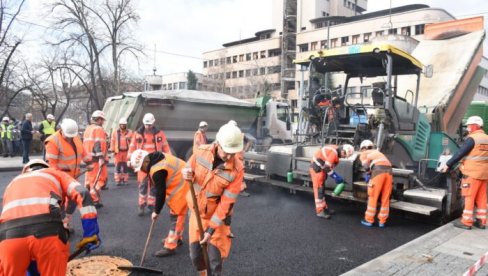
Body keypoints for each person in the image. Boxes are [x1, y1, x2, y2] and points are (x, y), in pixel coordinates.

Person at [0, 159, 101, 275]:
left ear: (25, 171)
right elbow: (82, 193)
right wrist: (90, 233)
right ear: (46, 167)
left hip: (9, 240)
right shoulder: (54, 173)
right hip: (48, 235)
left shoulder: (12, 184)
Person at [183, 123, 244, 275]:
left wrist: (210, 230)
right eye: (226, 152)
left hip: (217, 219)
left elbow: (226, 203)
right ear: (218, 144)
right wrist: (186, 173)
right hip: (196, 214)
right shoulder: (200, 152)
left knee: (215, 261)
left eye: (233, 153)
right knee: (196, 256)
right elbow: (187, 168)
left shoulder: (237, 169)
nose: (229, 157)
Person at [130, 150, 189, 257]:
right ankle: (177, 238)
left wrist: (156, 211)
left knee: (176, 216)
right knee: (178, 215)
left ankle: (170, 246)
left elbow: (161, 193)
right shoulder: (156, 157)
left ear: (146, 162)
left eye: (141, 168)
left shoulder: (157, 170)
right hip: (182, 182)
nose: (142, 171)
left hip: (183, 186)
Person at [440, 116, 487, 230]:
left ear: (475, 126)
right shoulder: (486, 138)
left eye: (469, 126)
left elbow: (460, 153)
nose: (468, 128)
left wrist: (447, 164)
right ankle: (481, 222)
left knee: (469, 197)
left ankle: (466, 222)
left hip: (471, 174)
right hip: (485, 174)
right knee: (482, 198)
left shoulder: (472, 139)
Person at [45, 118, 92, 231]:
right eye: (68, 136)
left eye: (72, 136)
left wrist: (89, 162)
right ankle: (61, 225)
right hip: (60, 178)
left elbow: (83, 152)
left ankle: (66, 221)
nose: (70, 138)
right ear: (61, 129)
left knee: (74, 200)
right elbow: (52, 166)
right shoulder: (53, 141)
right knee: (59, 203)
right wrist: (60, 179)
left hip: (73, 177)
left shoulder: (75, 137)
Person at [128, 112, 171, 216]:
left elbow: (166, 147)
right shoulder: (137, 134)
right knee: (143, 184)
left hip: (156, 162)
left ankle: (151, 204)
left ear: (153, 123)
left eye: (150, 124)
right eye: (147, 124)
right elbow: (132, 147)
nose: (148, 126)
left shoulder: (160, 134)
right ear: (144, 123)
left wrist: (169, 159)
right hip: (143, 162)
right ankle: (141, 205)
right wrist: (129, 159)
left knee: (154, 184)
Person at [310, 144, 354, 219]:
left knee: (322, 190)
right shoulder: (334, 153)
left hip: (320, 169)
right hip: (317, 169)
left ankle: (324, 208)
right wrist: (336, 177)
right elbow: (327, 167)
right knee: (319, 191)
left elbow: (327, 167)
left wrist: (335, 176)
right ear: (343, 151)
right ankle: (320, 211)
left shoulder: (335, 152)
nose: (344, 157)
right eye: (345, 155)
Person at [359, 139, 393, 228]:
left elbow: (366, 166)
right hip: (389, 172)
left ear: (363, 148)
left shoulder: (364, 153)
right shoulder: (378, 153)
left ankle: (369, 220)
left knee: (373, 195)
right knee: (385, 197)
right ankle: (382, 221)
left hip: (378, 172)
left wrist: (368, 174)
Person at [83, 110, 108, 208]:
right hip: (96, 159)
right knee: (98, 180)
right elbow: (97, 144)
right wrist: (101, 158)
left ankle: (89, 198)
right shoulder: (98, 129)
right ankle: (94, 200)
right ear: (99, 119)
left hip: (88, 158)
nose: (103, 122)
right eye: (102, 120)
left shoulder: (88, 129)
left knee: (89, 180)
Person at [110, 117, 133, 185]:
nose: (122, 126)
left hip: (126, 152)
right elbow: (113, 141)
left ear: (126, 125)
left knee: (126, 167)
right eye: (121, 124)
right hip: (118, 152)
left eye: (124, 124)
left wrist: (131, 151)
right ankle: (118, 180)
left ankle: (125, 180)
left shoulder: (130, 132)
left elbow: (133, 142)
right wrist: (112, 150)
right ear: (119, 125)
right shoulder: (115, 132)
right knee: (118, 167)